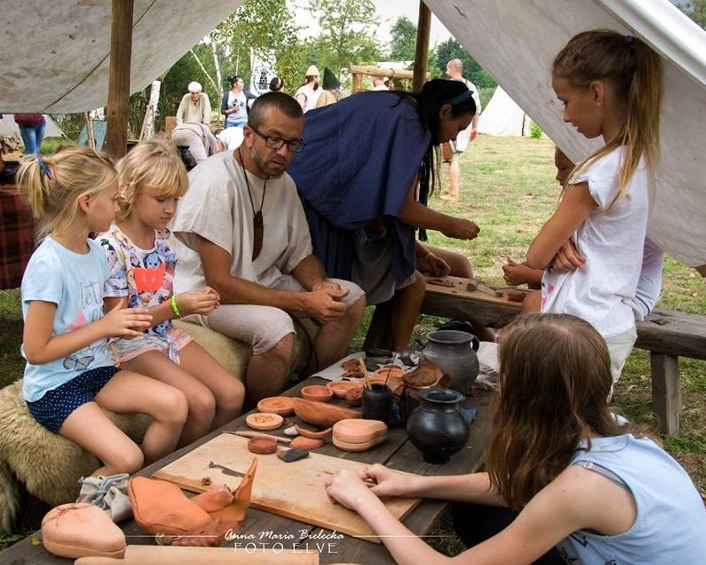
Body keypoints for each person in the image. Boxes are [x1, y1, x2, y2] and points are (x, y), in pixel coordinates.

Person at [325, 313, 706, 564]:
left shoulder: (585, 488)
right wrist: (414, 483)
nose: (498, 382)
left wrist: (363, 502)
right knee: (477, 508)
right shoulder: (611, 428)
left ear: (529, 393)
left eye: (504, 373)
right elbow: (519, 484)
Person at [171, 92, 366, 406]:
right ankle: (263, 415)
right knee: (276, 330)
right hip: (205, 294)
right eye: (274, 140)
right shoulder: (214, 182)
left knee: (351, 298)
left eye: (293, 144)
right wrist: (302, 301)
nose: (284, 152)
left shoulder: (284, 183)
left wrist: (317, 284)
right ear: (248, 135)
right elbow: (218, 282)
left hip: (259, 281)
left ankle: (308, 393)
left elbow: (299, 255)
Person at [17, 146, 187, 480]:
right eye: (112, 199)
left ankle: (142, 487)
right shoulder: (48, 266)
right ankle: (79, 519)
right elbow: (36, 351)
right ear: (86, 202)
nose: (118, 206)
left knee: (176, 405)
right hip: (55, 388)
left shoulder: (95, 252)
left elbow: (101, 320)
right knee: (126, 458)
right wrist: (105, 327)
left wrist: (124, 323)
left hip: (99, 369)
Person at [289, 80, 485, 351]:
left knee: (410, 283)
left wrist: (422, 254)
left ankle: (387, 358)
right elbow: (402, 208)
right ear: (445, 111)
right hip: (312, 198)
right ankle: (384, 360)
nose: (453, 137)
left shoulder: (398, 109)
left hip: (311, 190)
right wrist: (450, 225)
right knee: (362, 291)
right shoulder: (410, 123)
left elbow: (383, 201)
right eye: (459, 127)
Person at [526, 30, 663, 387]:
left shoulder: (595, 171)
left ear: (597, 93)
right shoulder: (639, 159)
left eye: (566, 101)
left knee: (556, 434)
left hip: (577, 330)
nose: (566, 116)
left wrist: (556, 242)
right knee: (584, 430)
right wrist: (567, 239)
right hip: (611, 323)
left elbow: (537, 255)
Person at [97, 140, 244, 446]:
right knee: (201, 402)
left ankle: (201, 459)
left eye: (176, 199)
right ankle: (162, 473)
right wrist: (179, 306)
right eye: (161, 199)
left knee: (233, 394)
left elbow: (160, 301)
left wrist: (188, 304)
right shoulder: (112, 247)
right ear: (131, 192)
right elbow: (122, 326)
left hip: (164, 333)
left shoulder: (161, 237)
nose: (171, 209)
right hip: (127, 346)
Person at [503, 148, 665, 319]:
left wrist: (530, 276)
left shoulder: (601, 187)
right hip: (598, 281)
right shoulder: (599, 191)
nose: (558, 177)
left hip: (626, 293)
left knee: (534, 304)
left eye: (563, 168)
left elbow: (594, 271)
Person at [440, 59, 481, 202]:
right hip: (466, 125)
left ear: (452, 68)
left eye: (447, 69)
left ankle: (454, 193)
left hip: (453, 124)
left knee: (453, 158)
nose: (446, 72)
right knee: (452, 157)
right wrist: (475, 127)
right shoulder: (471, 86)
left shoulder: (450, 86)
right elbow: (477, 110)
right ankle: (451, 187)